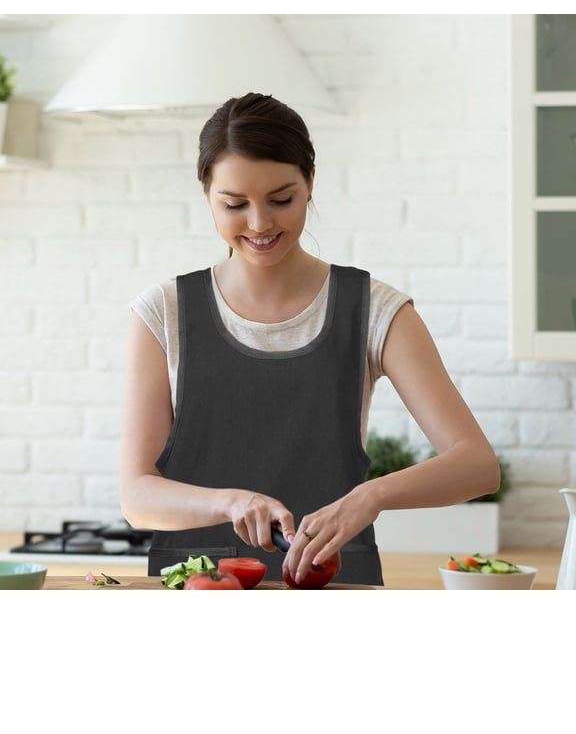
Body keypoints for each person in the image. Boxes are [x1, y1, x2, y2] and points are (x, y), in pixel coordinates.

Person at [120, 92, 500, 586]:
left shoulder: (377, 310)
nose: (260, 224)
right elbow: (137, 496)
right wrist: (231, 502)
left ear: (310, 184)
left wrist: (368, 498)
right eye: (234, 204)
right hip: (197, 588)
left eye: (282, 199)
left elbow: (476, 464)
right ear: (205, 191)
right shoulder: (162, 312)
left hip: (338, 589)